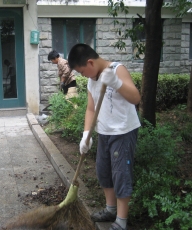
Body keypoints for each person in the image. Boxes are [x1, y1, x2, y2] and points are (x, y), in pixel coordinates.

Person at [68, 43, 141, 230]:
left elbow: (135, 98)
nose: (84, 76)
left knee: (120, 174)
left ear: (90, 62)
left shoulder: (117, 69)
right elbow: (91, 109)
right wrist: (86, 135)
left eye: (83, 72)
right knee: (103, 170)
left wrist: (116, 83)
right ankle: (110, 209)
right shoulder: (92, 81)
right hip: (105, 132)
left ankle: (121, 221)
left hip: (123, 132)